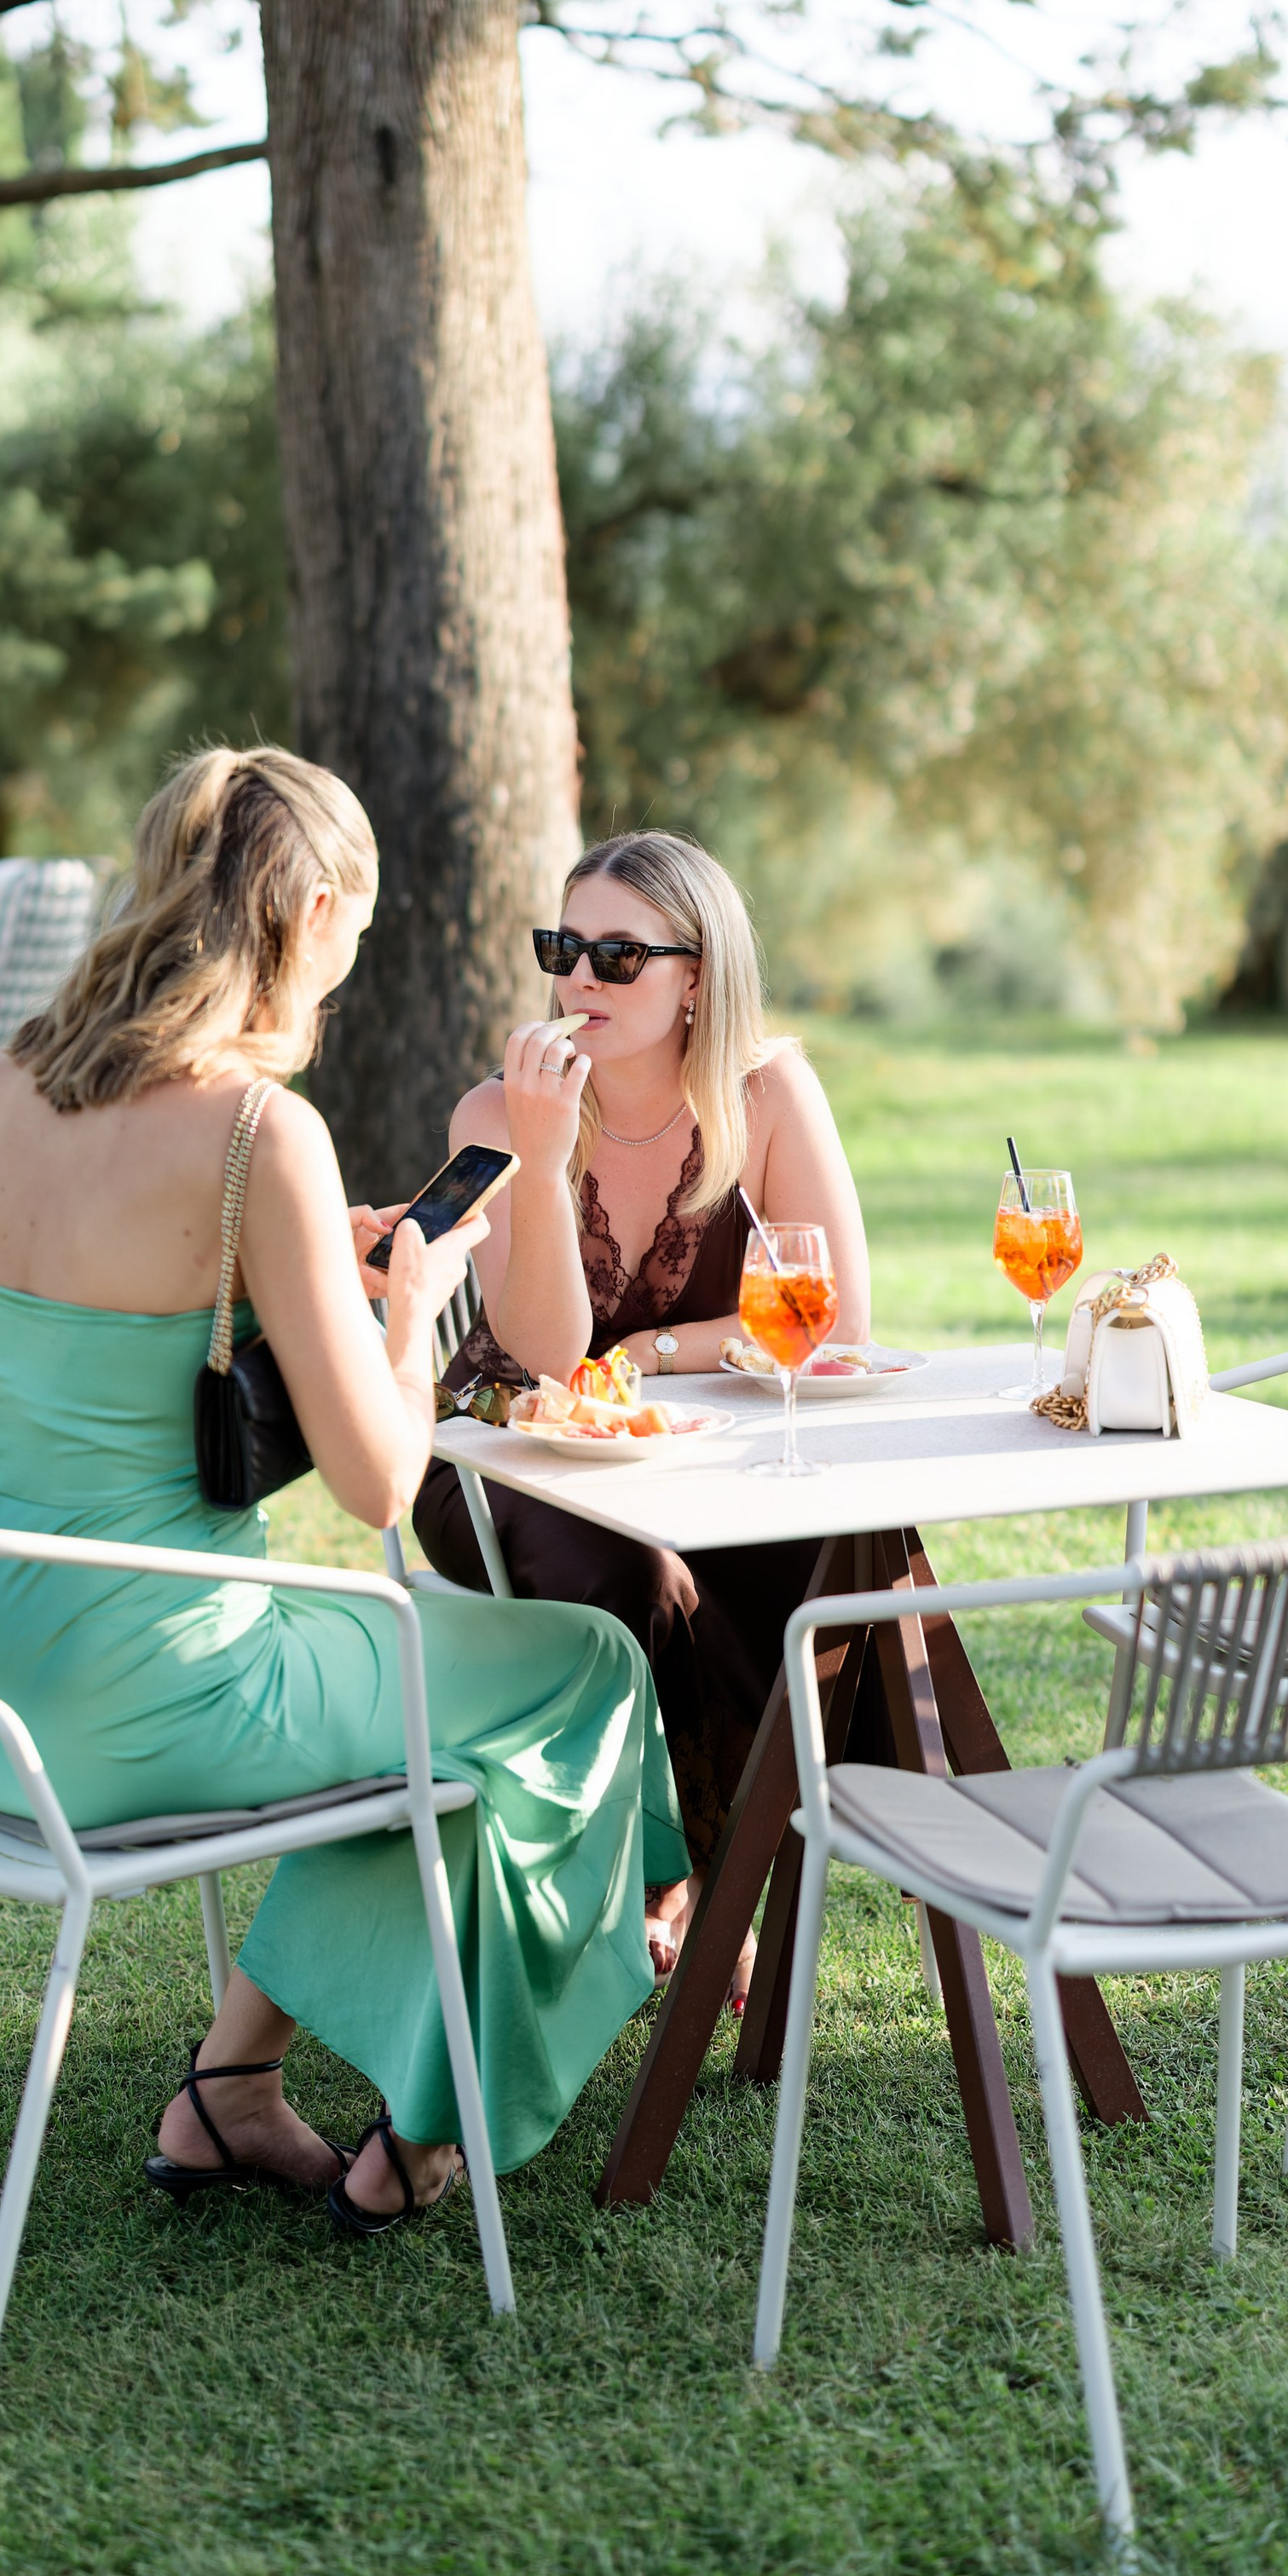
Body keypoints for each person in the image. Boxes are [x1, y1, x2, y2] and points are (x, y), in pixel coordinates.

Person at [0, 746, 685, 2238]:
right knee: (579, 1669)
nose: (348, 974)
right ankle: (435, 2114)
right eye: (354, 937)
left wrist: (308, 1287)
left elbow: (112, 1341)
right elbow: (379, 1481)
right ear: (322, 905)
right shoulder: (253, 1132)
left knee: (416, 1712)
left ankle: (234, 2089)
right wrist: (406, 1313)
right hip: (166, 1691)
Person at [410, 831, 870, 1997]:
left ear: (698, 975)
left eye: (619, 956)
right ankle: (688, 1876)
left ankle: (727, 1874)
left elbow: (837, 1320)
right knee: (645, 1581)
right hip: (500, 1449)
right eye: (565, 950)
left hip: (689, 1454)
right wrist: (543, 1150)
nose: (579, 984)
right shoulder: (497, 1113)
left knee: (831, 1553)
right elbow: (548, 1356)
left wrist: (651, 1352)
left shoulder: (767, 1094)